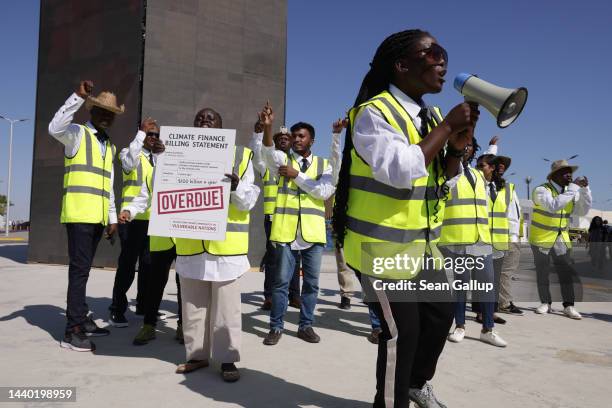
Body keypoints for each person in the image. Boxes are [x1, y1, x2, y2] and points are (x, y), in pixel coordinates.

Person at [332, 29, 478, 407]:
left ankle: (415, 384)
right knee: (403, 335)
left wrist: (456, 151)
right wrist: (447, 127)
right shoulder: (373, 113)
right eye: (433, 54)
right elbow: (399, 169)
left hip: (420, 246)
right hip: (381, 247)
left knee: (440, 318)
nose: (443, 62)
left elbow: (441, 179)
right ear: (402, 65)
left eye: (444, 53)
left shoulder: (426, 116)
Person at [174, 108, 260, 382]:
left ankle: (227, 360)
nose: (204, 122)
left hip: (226, 249)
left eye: (210, 119)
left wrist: (235, 187)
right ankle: (197, 356)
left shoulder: (241, 155)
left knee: (227, 310)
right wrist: (164, 160)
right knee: (193, 308)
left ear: (222, 128)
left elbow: (248, 202)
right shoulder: (178, 154)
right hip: (191, 245)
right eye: (199, 118)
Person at [48, 80, 122, 351]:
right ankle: (73, 330)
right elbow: (54, 128)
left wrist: (112, 218)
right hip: (79, 215)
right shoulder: (77, 134)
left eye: (110, 113)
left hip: (98, 218)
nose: (106, 116)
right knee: (79, 272)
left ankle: (81, 317)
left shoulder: (110, 147)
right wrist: (76, 97)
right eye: (101, 111)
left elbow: (108, 185)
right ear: (90, 111)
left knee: (84, 271)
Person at [259, 104, 336, 346]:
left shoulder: (324, 165)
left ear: (312, 140)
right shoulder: (282, 160)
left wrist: (297, 176)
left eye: (301, 136)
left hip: (312, 234)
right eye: (294, 136)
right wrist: (268, 127)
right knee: (281, 284)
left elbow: (323, 192)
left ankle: (306, 326)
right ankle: (276, 327)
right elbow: (268, 153)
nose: (296, 139)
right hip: (285, 232)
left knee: (311, 285)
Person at [117, 133, 185, 346]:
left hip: (184, 233)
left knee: (183, 281)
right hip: (162, 233)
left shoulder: (188, 172)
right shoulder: (155, 172)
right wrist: (129, 210)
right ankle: (148, 325)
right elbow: (144, 196)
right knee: (156, 282)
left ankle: (183, 325)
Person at [442, 142, 508, 348]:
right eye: (463, 143)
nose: (467, 148)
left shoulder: (479, 176)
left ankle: (488, 329)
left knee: (486, 285)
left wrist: (493, 148)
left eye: (470, 145)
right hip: (458, 239)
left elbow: (490, 161)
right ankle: (460, 326)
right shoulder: (447, 172)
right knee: (461, 286)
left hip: (481, 240)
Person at [108, 118, 163, 327]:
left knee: (149, 266)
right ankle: (117, 308)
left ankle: (143, 305)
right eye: (150, 134)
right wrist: (141, 133)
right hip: (131, 219)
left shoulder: (158, 159)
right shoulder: (129, 152)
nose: (153, 138)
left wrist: (162, 155)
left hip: (152, 220)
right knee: (128, 265)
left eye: (156, 135)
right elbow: (129, 162)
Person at [529, 159, 591, 319]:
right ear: (554, 175)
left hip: (560, 238)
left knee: (566, 273)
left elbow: (582, 211)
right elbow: (553, 205)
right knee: (542, 272)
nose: (570, 175)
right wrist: (572, 189)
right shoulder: (541, 190)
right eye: (565, 172)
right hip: (541, 237)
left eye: (570, 171)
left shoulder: (569, 192)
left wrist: (585, 191)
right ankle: (545, 303)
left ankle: (568, 306)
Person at [249, 123, 302, 310]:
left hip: (294, 217)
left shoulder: (297, 165)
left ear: (291, 142)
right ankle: (269, 296)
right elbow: (256, 154)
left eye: (286, 139)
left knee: (295, 257)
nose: (283, 140)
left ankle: (295, 295)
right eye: (279, 139)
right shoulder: (265, 166)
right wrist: (258, 133)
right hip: (272, 218)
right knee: (273, 258)